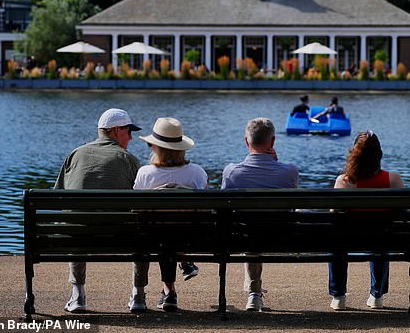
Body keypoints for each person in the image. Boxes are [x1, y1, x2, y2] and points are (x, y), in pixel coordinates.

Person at [54, 108, 143, 313]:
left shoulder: (75, 155)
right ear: (115, 130)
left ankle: (78, 296)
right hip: (121, 237)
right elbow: (142, 203)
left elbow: (58, 197)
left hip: (78, 238)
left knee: (75, 223)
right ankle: (138, 295)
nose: (131, 138)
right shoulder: (129, 160)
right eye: (128, 131)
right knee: (141, 227)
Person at [221, 118, 299, 311]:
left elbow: (224, 210)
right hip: (281, 237)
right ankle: (255, 294)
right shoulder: (290, 172)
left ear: (247, 142)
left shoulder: (231, 172)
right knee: (257, 227)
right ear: (272, 142)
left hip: (243, 237)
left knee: (249, 228)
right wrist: (276, 162)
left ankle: (254, 294)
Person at [133, 117, 208, 312]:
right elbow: (206, 209)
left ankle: (169, 292)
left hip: (152, 238)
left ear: (155, 147)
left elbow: (136, 210)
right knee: (173, 232)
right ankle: (172, 284)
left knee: (162, 232)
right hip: (191, 238)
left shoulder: (145, 173)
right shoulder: (197, 173)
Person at [328, 130, 405, 311]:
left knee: (337, 241)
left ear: (354, 154)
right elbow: (402, 213)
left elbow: (333, 215)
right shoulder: (393, 180)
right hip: (382, 239)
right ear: (379, 154)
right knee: (381, 239)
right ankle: (376, 295)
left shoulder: (344, 181)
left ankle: (339, 296)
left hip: (349, 239)